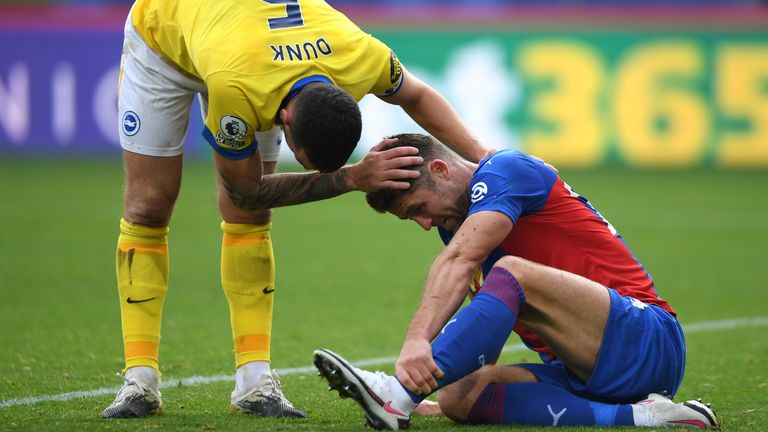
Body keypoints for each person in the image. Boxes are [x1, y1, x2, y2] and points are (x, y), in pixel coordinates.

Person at [102, 0, 488, 420]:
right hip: (164, 34)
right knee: (149, 207)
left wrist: (486, 159)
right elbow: (247, 190)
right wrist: (350, 179)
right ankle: (139, 381)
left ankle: (254, 382)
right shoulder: (240, 88)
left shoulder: (361, 56)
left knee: (249, 220)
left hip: (245, 41)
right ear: (284, 118)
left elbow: (416, 93)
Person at [313, 133, 720, 430]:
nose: (423, 224)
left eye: (419, 208)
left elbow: (463, 260)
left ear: (439, 169)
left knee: (513, 271)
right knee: (460, 395)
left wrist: (416, 346)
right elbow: (488, 309)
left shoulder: (506, 170)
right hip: (583, 370)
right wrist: (460, 379)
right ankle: (648, 416)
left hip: (649, 341)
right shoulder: (456, 228)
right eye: (411, 218)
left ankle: (395, 396)